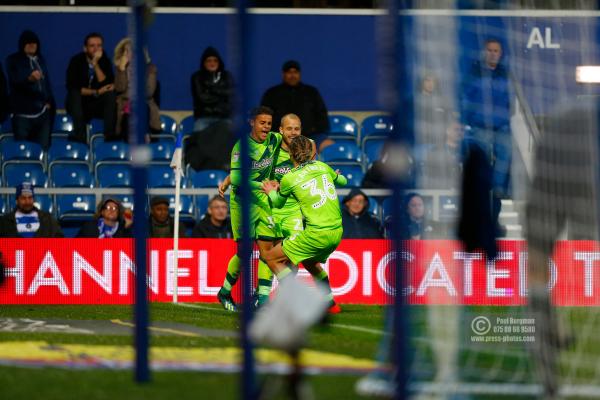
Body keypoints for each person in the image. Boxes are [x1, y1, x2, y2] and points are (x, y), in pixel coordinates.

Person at [261, 135, 347, 310]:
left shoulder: (289, 178)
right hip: (336, 232)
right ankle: (330, 303)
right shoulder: (323, 167)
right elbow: (344, 181)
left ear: (291, 155)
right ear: (312, 154)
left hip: (316, 233)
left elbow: (277, 202)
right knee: (309, 262)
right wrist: (336, 176)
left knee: (270, 257)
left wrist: (271, 191)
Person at [214, 106, 283, 312]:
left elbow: (298, 141)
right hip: (243, 202)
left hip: (264, 202)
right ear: (252, 122)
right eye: (262, 123)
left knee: (267, 249)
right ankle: (225, 292)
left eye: (269, 124)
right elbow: (237, 177)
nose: (266, 127)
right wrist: (259, 185)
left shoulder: (274, 139)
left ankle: (261, 297)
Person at [460, 38, 513, 236]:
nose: (492, 53)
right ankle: (484, 186)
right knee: (481, 158)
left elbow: (509, 100)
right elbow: (465, 98)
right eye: (489, 50)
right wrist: (467, 120)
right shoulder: (474, 72)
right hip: (479, 126)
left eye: (496, 51)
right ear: (484, 52)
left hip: (500, 126)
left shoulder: (505, 74)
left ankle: (498, 186)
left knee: (506, 150)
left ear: (500, 54)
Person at [5, 30, 55, 150]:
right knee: (23, 150)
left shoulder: (40, 60)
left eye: (34, 43)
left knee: (43, 150)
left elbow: (46, 83)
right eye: (28, 43)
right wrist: (29, 79)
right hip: (22, 114)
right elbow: (15, 80)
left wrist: (48, 102)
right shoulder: (13, 60)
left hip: (42, 113)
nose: (32, 46)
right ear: (22, 45)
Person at [65, 32, 116, 143]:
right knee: (74, 95)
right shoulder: (76, 61)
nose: (96, 49)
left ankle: (109, 138)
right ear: (85, 48)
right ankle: (80, 139)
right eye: (92, 46)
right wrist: (96, 91)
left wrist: (95, 64)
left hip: (96, 105)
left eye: (99, 45)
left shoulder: (105, 61)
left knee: (110, 95)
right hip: (79, 104)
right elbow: (73, 87)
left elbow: (106, 85)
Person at [260, 60, 329, 140]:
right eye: (289, 72)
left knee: (328, 145)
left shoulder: (311, 92)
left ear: (299, 74)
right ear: (283, 74)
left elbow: (322, 116)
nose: (292, 75)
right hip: (279, 137)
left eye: (295, 72)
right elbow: (264, 117)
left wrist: (314, 130)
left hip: (309, 137)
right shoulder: (271, 93)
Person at [113, 37, 161, 139]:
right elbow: (120, 88)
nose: (130, 53)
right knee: (127, 116)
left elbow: (148, 92)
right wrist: (121, 70)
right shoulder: (120, 69)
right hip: (124, 109)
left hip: (144, 106)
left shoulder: (150, 69)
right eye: (126, 51)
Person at [191, 46, 234, 132]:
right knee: (200, 142)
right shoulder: (197, 77)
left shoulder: (227, 76)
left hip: (224, 117)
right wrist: (222, 94)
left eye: (215, 60)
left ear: (219, 62)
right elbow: (203, 98)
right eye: (209, 61)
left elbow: (231, 94)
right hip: (204, 118)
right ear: (204, 63)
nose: (212, 63)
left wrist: (211, 89)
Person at [419, 114, 464, 189]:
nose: (459, 133)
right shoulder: (434, 152)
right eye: (456, 129)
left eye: (462, 130)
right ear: (447, 130)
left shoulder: (468, 152)